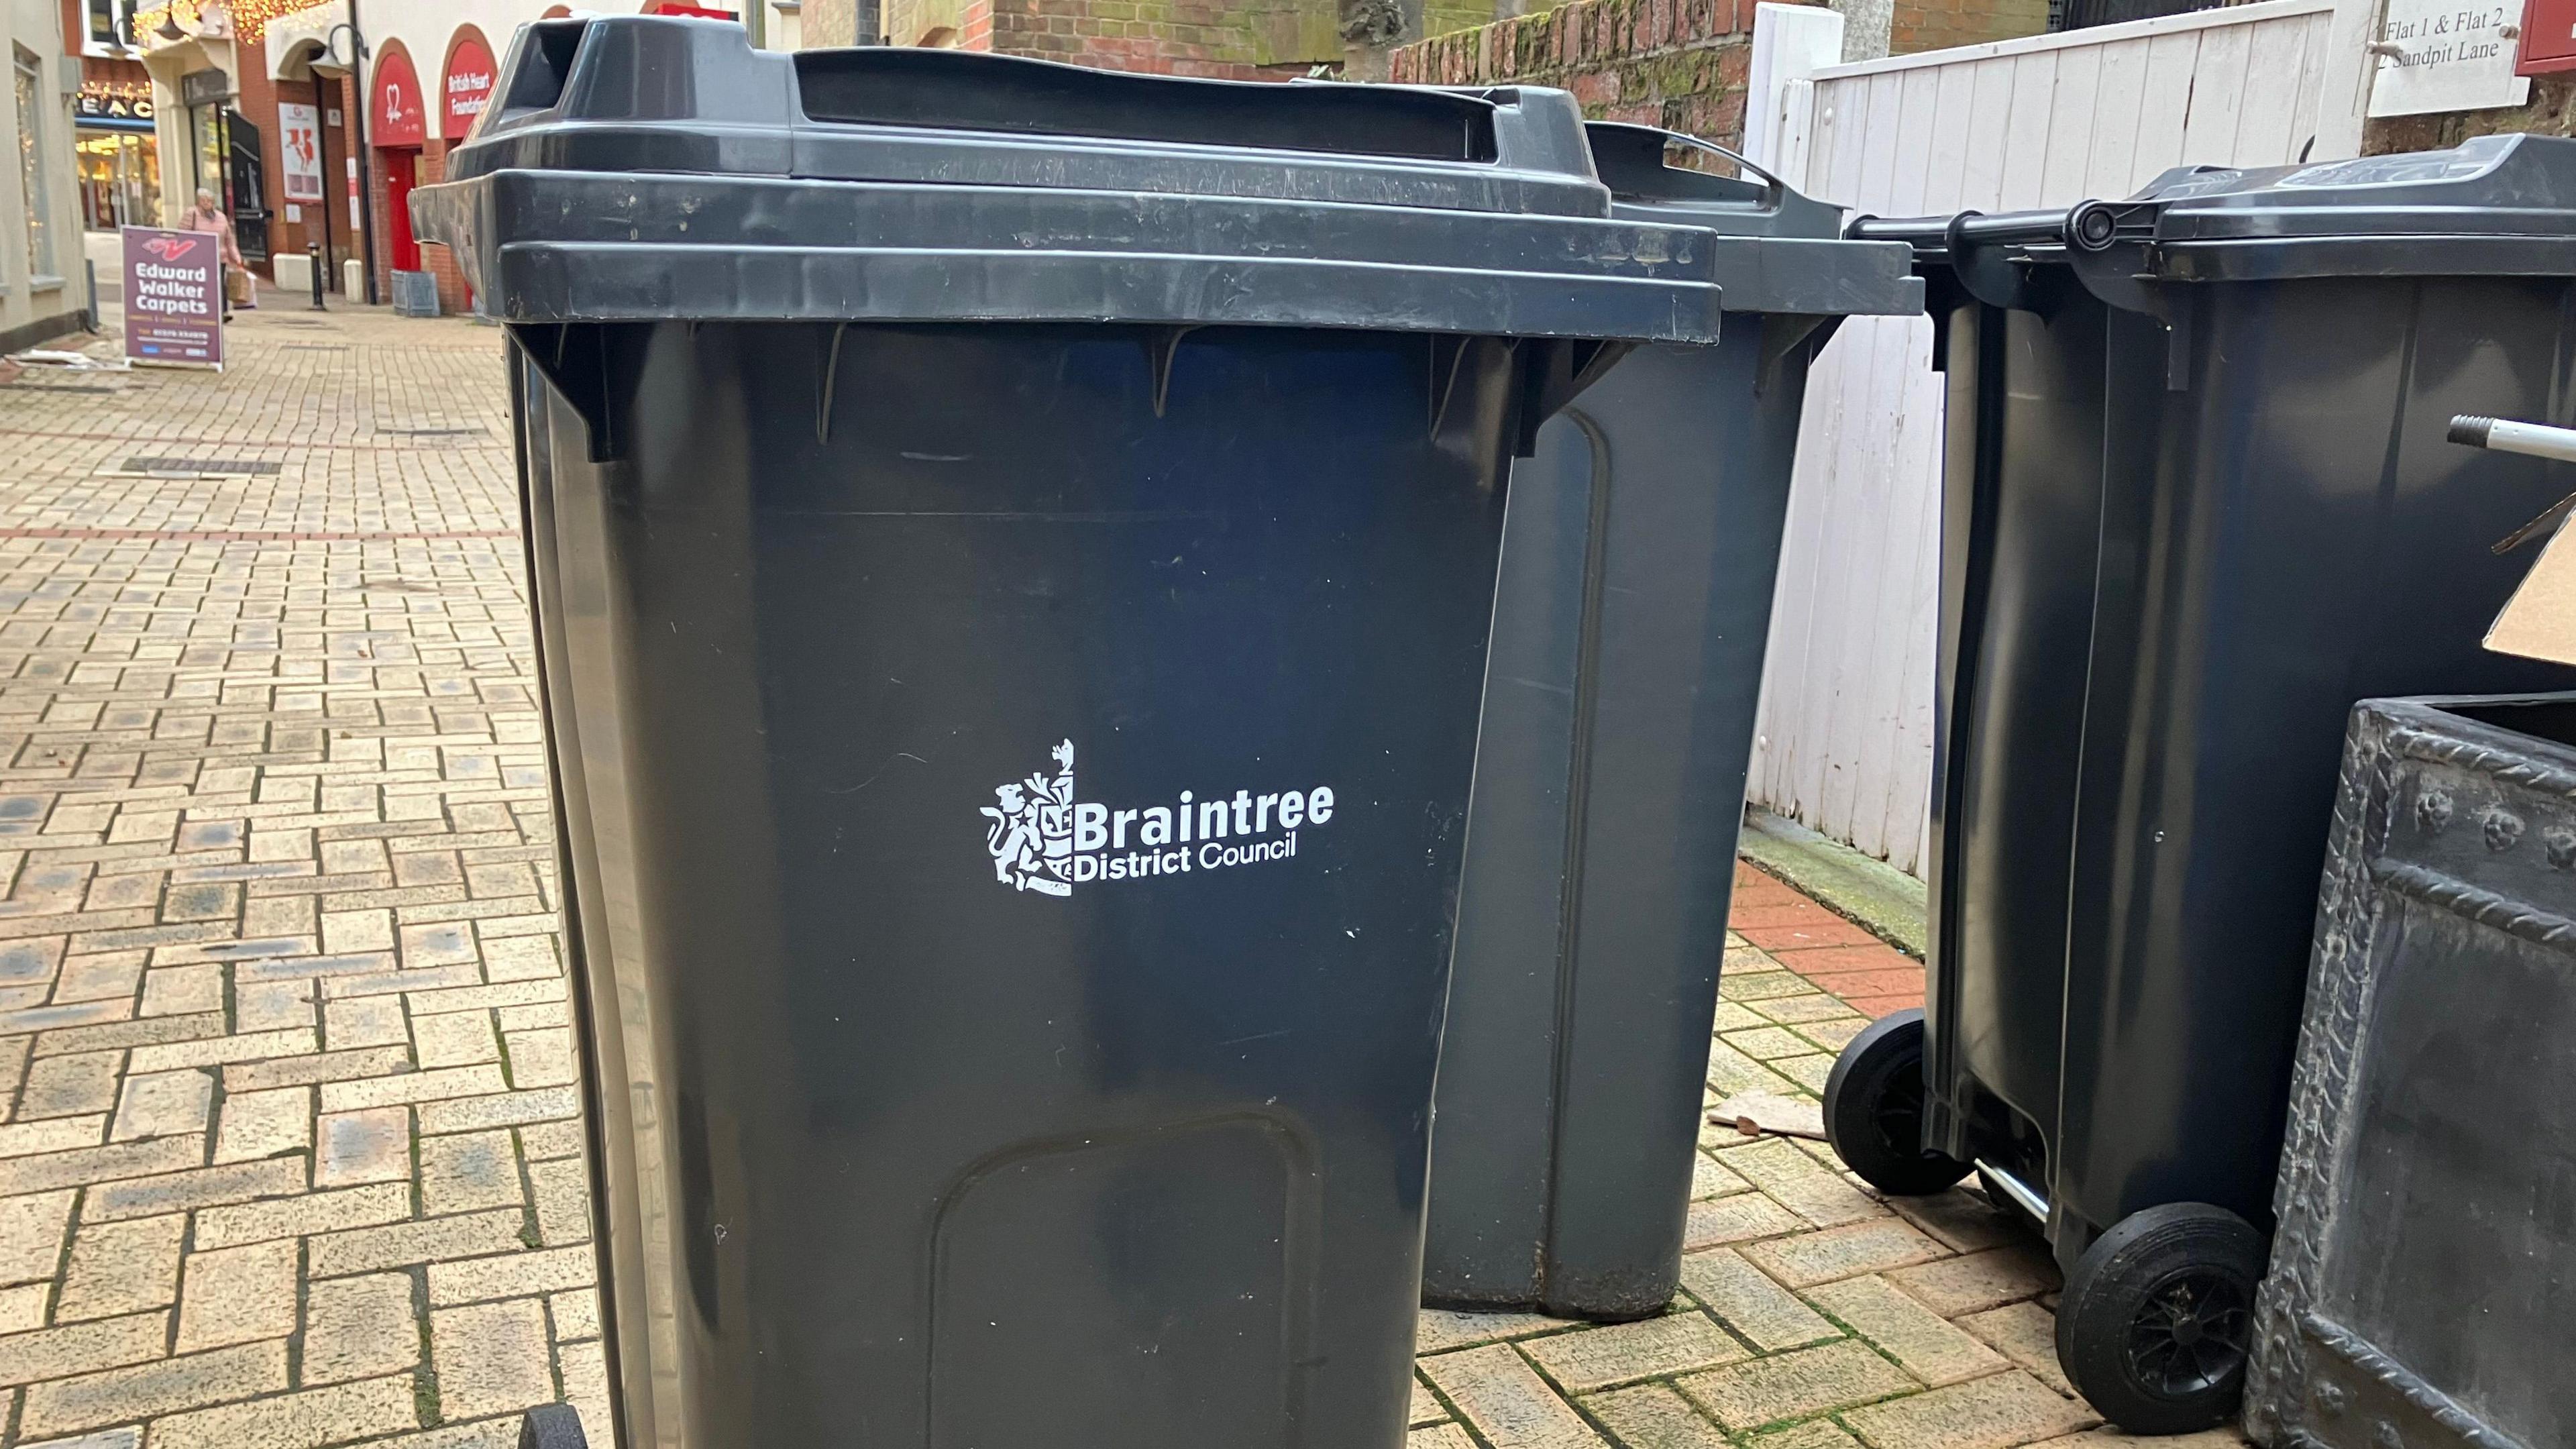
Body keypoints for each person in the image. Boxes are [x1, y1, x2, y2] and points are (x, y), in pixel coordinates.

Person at [176, 189, 245, 321]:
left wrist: (237, 259)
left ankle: (222, 312)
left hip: (220, 257)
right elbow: (182, 236)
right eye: (203, 200)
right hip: (199, 258)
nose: (207, 203)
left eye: (210, 200)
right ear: (198, 202)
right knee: (202, 285)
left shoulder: (221, 217)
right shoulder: (192, 214)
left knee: (220, 285)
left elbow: (229, 241)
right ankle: (201, 310)